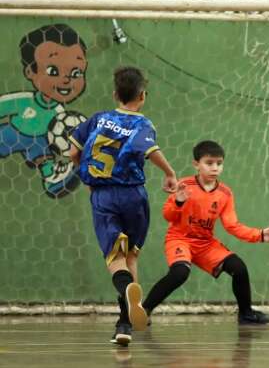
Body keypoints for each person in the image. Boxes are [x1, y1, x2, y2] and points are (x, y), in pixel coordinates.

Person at [68, 66, 178, 346]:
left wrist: (87, 176)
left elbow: (72, 151)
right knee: (130, 258)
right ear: (143, 96)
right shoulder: (143, 124)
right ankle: (124, 324)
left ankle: (127, 301)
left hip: (104, 197)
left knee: (116, 260)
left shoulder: (98, 119)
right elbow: (149, 150)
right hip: (134, 197)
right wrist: (169, 173)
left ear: (115, 94)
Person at [142, 140, 269, 324]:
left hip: (205, 243)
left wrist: (260, 235)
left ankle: (246, 313)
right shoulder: (183, 184)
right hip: (179, 239)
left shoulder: (225, 194)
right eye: (209, 163)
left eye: (219, 163)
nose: (215, 168)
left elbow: (232, 225)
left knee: (239, 268)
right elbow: (168, 216)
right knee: (179, 273)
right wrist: (178, 202)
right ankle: (144, 312)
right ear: (196, 164)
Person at [0, 23, 88, 198]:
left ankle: (53, 179)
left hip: (37, 141)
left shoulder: (60, 115)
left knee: (43, 151)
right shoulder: (25, 100)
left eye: (76, 73)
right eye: (53, 70)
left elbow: (61, 135)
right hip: (11, 133)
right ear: (29, 72)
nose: (66, 80)